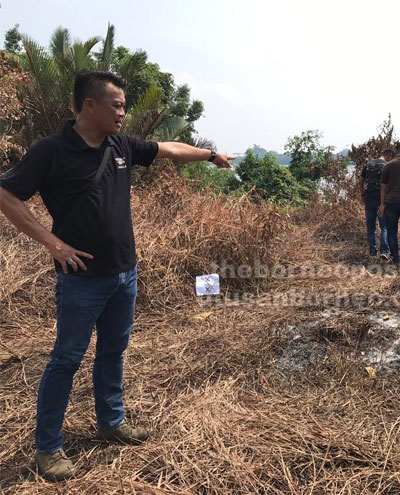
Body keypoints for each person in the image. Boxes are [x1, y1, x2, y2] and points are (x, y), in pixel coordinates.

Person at [0, 70, 234, 481]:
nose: (124, 113)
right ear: (89, 105)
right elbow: (5, 194)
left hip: (125, 273)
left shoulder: (121, 145)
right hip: (81, 280)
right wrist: (53, 244)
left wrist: (210, 155)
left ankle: (111, 422)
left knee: (113, 351)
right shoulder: (51, 151)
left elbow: (170, 150)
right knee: (66, 359)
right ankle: (48, 448)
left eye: (124, 105)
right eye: (117, 105)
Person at [359, 149, 394, 260]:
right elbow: (388, 184)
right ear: (389, 156)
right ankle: (384, 250)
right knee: (384, 226)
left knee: (371, 226)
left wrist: (362, 194)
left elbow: (360, 180)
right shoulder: (387, 166)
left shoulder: (369, 164)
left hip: (368, 197)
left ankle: (373, 251)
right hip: (381, 198)